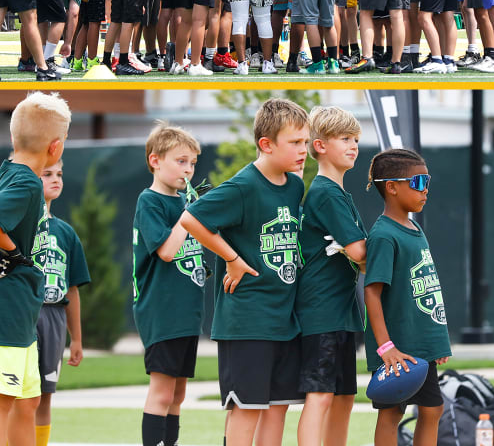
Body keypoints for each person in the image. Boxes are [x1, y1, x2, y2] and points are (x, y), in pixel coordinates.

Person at [180, 98, 308, 446]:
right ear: (266, 144)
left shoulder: (295, 186)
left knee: (278, 409)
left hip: (285, 321)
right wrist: (232, 259)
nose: (303, 150)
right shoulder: (243, 186)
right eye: (295, 142)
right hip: (248, 321)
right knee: (247, 409)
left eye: (306, 142)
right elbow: (191, 219)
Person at [0, 92, 72, 446]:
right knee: (0, 398)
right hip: (4, 309)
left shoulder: (9, 173)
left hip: (21, 312)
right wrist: (11, 251)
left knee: (28, 400)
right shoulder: (25, 182)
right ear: (56, 147)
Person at [362, 149, 451, 446]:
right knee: (391, 414)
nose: (425, 189)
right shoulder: (384, 235)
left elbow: (427, 288)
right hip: (398, 349)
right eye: (418, 182)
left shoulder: (414, 227)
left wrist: (436, 342)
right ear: (392, 187)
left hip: (421, 346)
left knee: (433, 408)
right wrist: (386, 348)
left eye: (427, 181)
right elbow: (372, 294)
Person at [295, 107, 368, 446]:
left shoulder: (340, 193)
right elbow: (360, 253)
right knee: (321, 395)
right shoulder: (324, 191)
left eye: (355, 139)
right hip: (321, 313)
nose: (353, 146)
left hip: (342, 313)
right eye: (344, 139)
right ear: (320, 145)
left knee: (343, 397)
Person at [134, 123, 207, 446]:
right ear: (155, 161)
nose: (188, 170)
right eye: (180, 161)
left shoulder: (184, 203)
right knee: (162, 393)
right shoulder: (150, 201)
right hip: (162, 312)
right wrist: (189, 215)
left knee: (178, 393)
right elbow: (165, 250)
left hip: (186, 312)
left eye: (192, 163)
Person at [30, 160, 87, 446]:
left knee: (44, 396)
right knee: (19, 395)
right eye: (47, 174)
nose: (56, 179)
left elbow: (72, 289)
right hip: (25, 316)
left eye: (60, 174)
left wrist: (76, 338)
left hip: (53, 320)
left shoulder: (66, 233)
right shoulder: (18, 226)